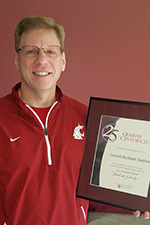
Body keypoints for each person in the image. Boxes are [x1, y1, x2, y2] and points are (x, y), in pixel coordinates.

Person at [0, 16, 89, 225]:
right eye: (31, 51)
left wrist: (132, 201)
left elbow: (97, 187)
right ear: (16, 60)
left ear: (63, 60)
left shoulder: (86, 117)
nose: (42, 60)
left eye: (51, 51)